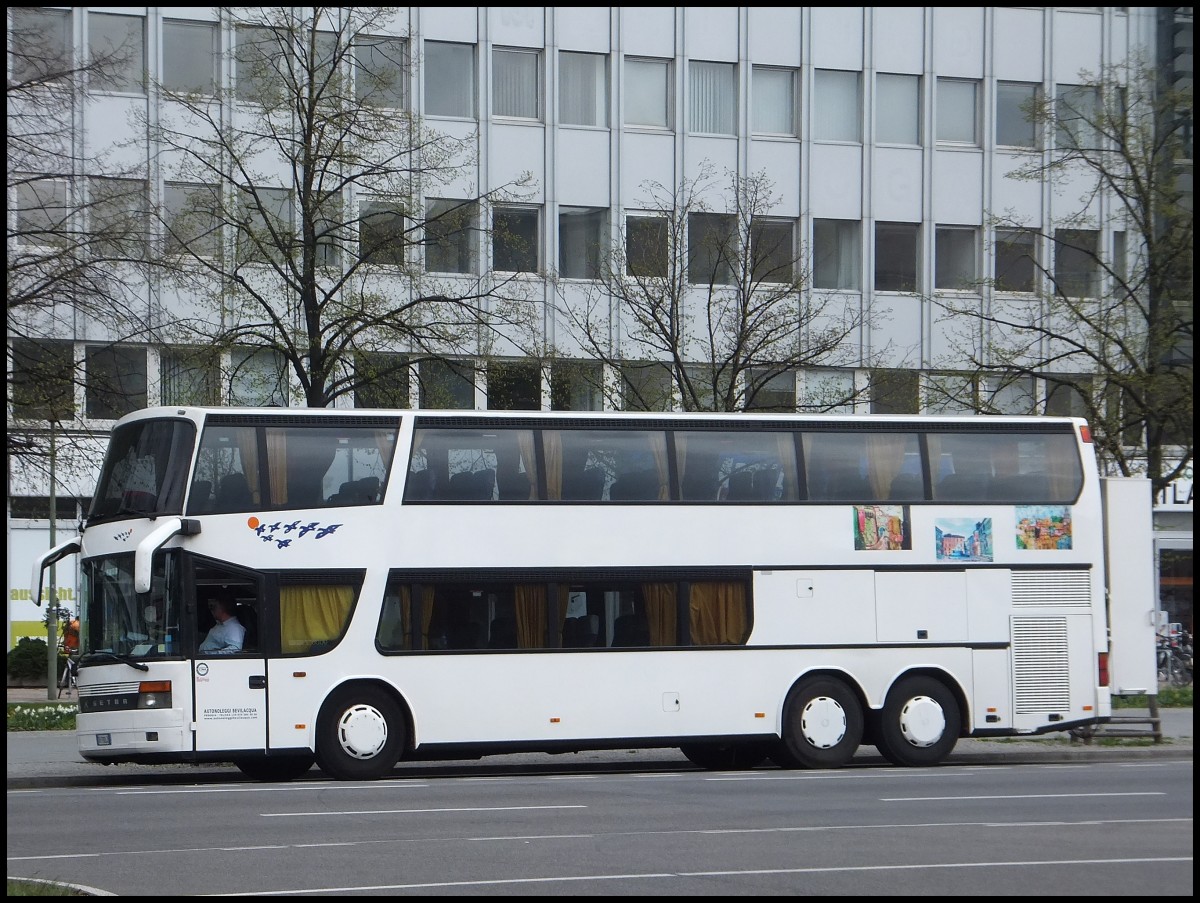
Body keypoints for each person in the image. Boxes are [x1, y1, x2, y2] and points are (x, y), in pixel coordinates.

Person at [199, 590, 245, 655]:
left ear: (222, 608)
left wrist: (213, 655)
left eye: (214, 607)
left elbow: (235, 649)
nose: (212, 610)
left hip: (212, 662)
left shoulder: (234, 628)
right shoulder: (219, 625)